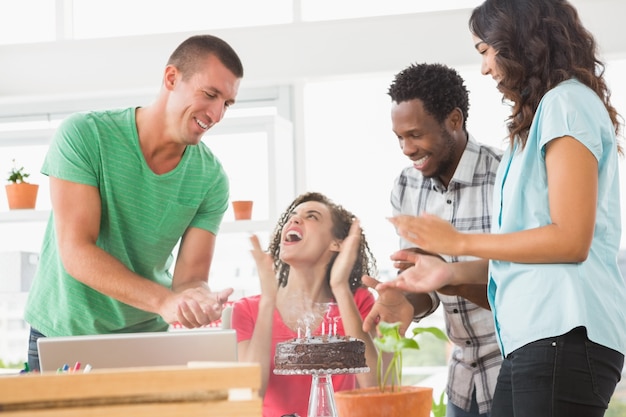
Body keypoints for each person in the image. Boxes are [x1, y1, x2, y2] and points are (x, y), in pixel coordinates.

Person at [380, 1, 626, 416]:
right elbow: (521, 259)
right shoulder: (534, 127)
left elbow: (570, 239)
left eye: (485, 50)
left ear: (519, 43)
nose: (485, 68)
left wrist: (458, 240)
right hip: (534, 339)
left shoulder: (567, 104)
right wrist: (449, 272)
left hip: (564, 333)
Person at [24, 34, 243, 371]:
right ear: (171, 78)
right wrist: (164, 301)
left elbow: (190, 278)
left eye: (226, 103)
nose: (216, 114)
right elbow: (77, 253)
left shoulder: (211, 178)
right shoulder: (85, 135)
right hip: (63, 334)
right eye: (210, 94)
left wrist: (195, 298)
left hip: (145, 340)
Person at [362, 63, 503, 417]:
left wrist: (449, 277)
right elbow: (425, 287)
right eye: (399, 137)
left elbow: (519, 288)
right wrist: (407, 301)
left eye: (415, 135)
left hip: (511, 367)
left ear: (454, 120)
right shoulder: (406, 186)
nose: (406, 149)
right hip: (462, 379)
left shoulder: (503, 177)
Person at [231, 192, 379, 417]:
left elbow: (375, 390)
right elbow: (251, 395)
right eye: (292, 216)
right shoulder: (247, 310)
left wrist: (340, 286)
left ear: (336, 243)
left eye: (312, 216)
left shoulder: (358, 302)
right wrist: (268, 302)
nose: (294, 220)